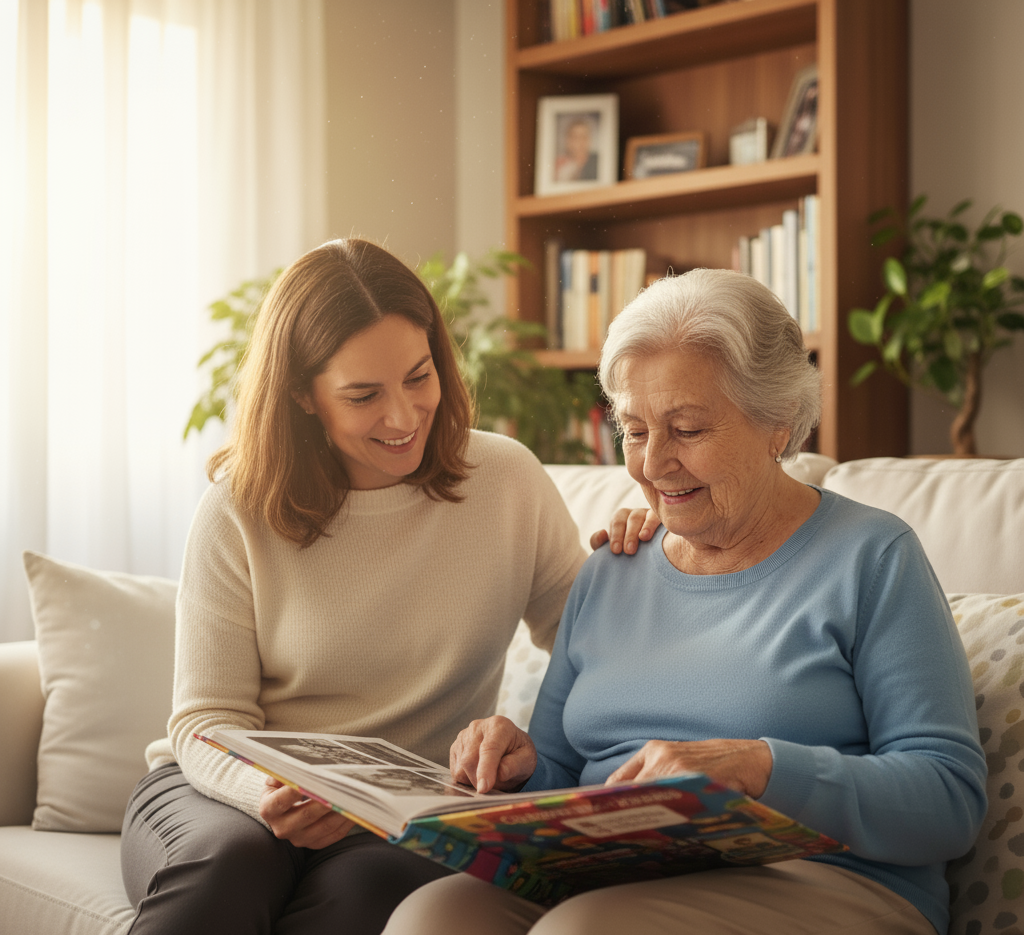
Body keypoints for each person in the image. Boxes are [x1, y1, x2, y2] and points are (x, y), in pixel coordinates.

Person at [382, 268, 988, 935]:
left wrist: (762, 765)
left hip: (825, 880)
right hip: (613, 873)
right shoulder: (612, 569)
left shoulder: (872, 557)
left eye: (688, 429)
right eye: (636, 430)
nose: (653, 463)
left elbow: (948, 798)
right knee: (431, 917)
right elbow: (558, 767)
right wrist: (515, 764)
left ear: (777, 424)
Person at [119, 238, 635, 935]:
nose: (402, 416)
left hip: (400, 814)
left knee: (367, 893)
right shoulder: (237, 507)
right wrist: (261, 791)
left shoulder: (506, 482)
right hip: (221, 795)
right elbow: (204, 721)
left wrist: (650, 550)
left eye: (419, 377)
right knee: (231, 864)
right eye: (363, 394)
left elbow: (598, 649)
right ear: (303, 394)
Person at [554, 116, 598, 182]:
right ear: (567, 141)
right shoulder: (560, 166)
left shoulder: (597, 163)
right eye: (575, 137)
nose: (580, 142)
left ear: (589, 140)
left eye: (583, 137)